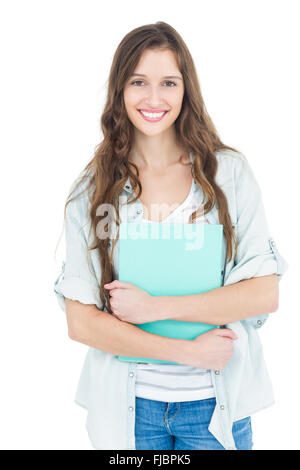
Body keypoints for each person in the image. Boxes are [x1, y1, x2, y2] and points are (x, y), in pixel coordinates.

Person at [53, 21, 288, 450]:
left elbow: (263, 293)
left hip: (215, 410)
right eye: (139, 81)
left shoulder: (230, 175)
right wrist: (186, 352)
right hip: (130, 410)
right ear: (119, 90)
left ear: (186, 90)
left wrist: (154, 307)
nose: (154, 98)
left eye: (169, 82)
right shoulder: (91, 191)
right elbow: (80, 321)